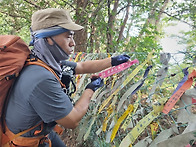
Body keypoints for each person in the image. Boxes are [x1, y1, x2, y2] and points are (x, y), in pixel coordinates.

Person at [5, 8, 130, 147]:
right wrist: (91, 89)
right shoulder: (41, 79)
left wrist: (112, 61)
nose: (73, 43)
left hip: (39, 131)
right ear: (48, 39)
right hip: (26, 142)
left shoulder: (43, 61)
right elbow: (73, 120)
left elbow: (81, 67)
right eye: (68, 36)